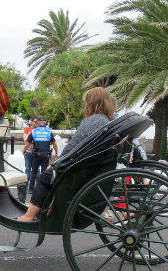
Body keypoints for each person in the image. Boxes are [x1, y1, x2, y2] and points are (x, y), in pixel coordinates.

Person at [18, 87, 116, 222]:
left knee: (45, 177)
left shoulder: (92, 121)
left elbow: (72, 146)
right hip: (94, 166)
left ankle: (28, 216)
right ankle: (47, 211)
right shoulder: (106, 120)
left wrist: (54, 164)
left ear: (92, 103)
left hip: (81, 169)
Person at [22, 116, 58, 193]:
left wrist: (24, 151)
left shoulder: (34, 132)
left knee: (34, 172)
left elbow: (27, 143)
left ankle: (31, 189)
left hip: (36, 155)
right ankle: (42, 189)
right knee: (44, 172)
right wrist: (57, 153)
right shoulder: (48, 132)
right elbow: (54, 143)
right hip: (45, 155)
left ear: (38, 123)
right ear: (44, 123)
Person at [23, 116, 38, 189]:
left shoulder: (38, 130)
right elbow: (25, 139)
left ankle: (38, 186)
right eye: (35, 121)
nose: (36, 123)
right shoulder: (27, 129)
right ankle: (26, 186)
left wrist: (30, 140)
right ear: (31, 122)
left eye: (37, 122)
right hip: (28, 151)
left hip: (36, 152)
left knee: (37, 170)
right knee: (28, 169)